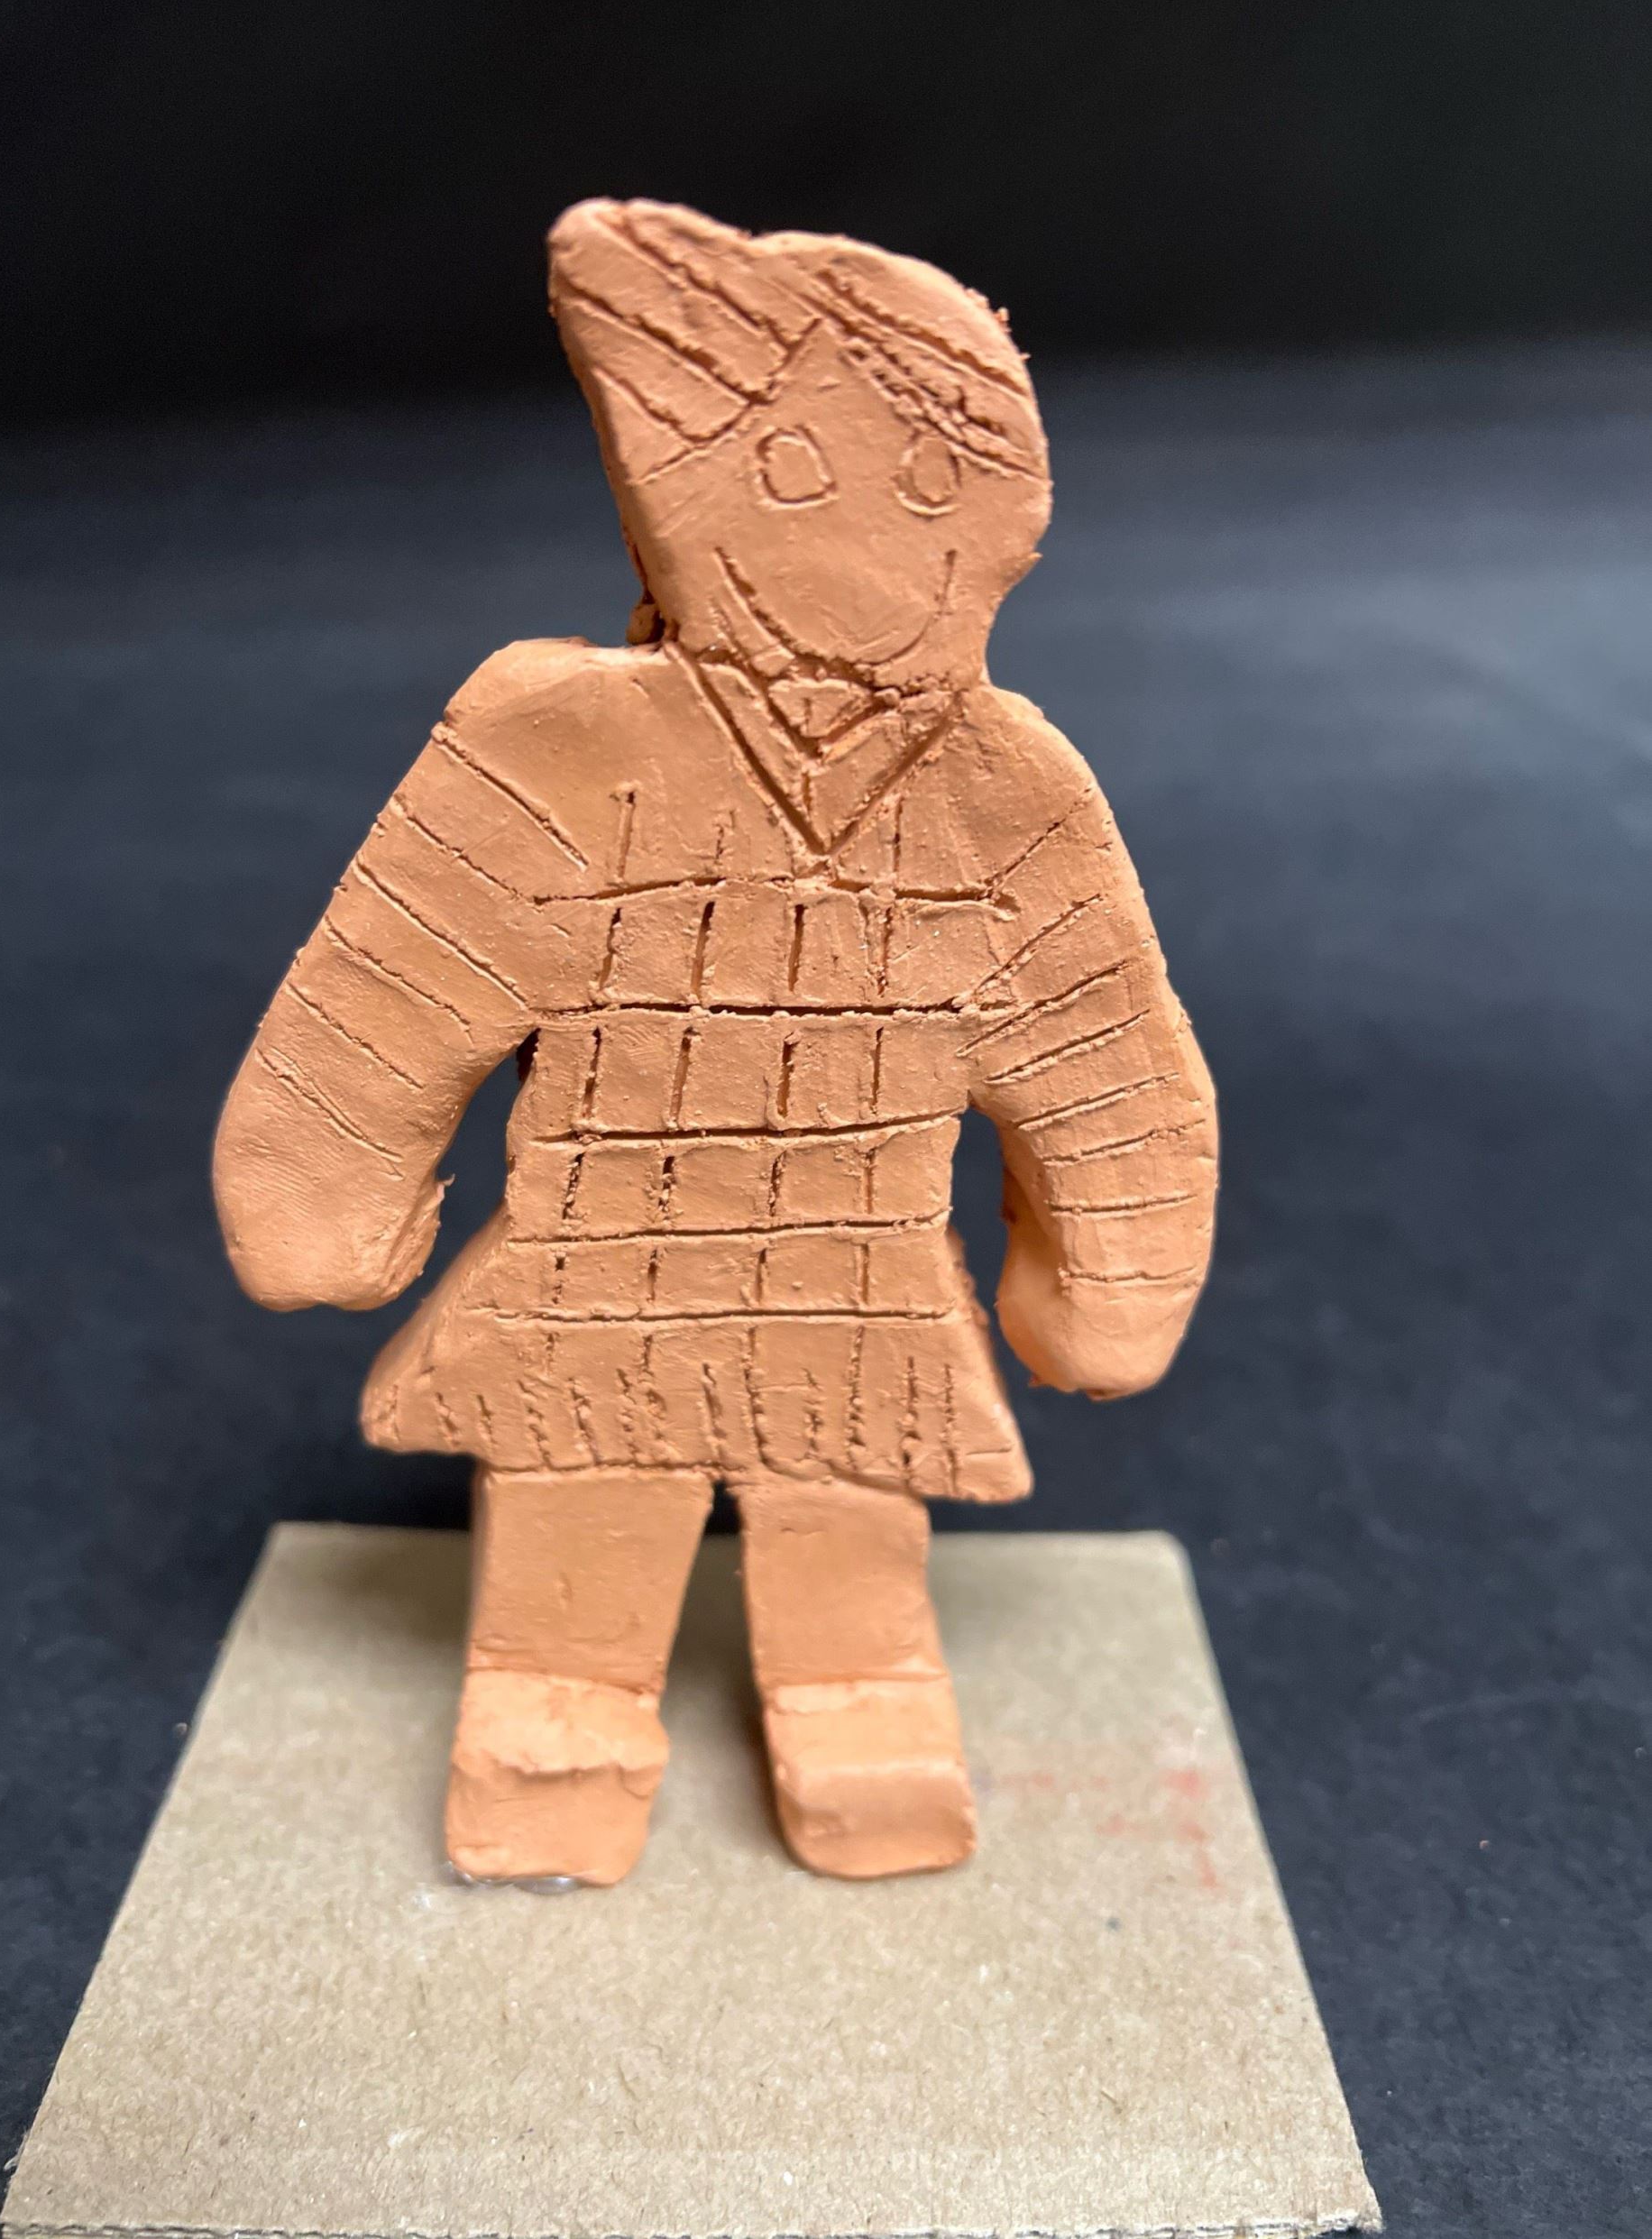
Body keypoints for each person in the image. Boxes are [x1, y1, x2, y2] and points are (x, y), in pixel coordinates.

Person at [214, 199, 1217, 1885]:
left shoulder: (1012, 794)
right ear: (677, 491)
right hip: (605, 1270)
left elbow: (1102, 1050)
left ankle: (856, 1709)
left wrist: (1118, 1266)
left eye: (935, 487)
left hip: (858, 1282)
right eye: (796, 472)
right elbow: (400, 975)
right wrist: (324, 1183)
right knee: (583, 1517)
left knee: (845, 1530)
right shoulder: (552, 745)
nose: (877, 537)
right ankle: (557, 1709)